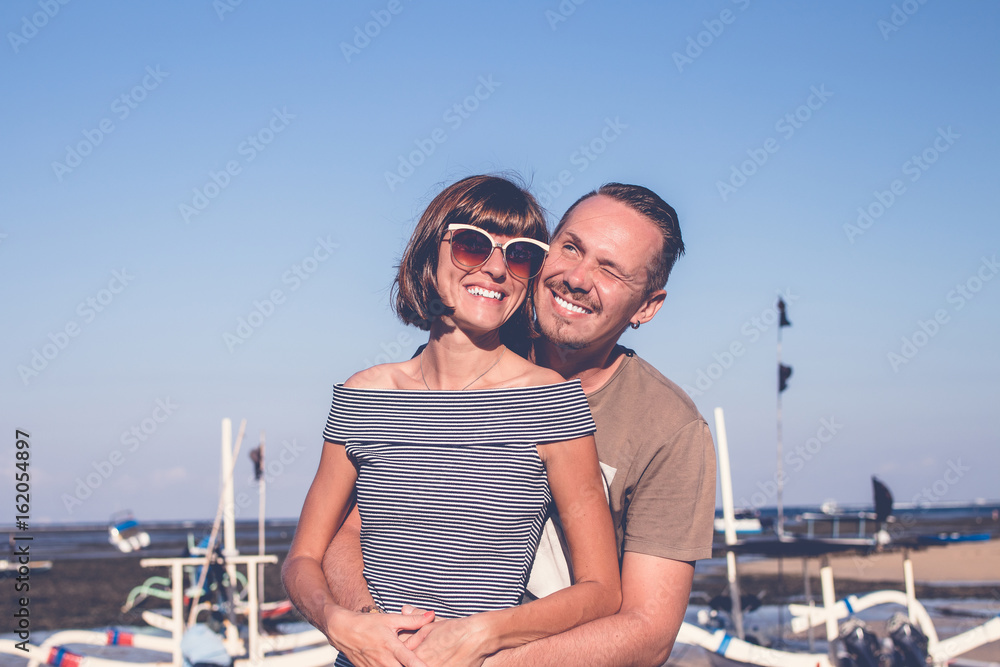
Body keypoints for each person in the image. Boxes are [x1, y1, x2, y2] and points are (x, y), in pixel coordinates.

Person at [323, 182, 718, 667]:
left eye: (611, 270)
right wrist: (367, 625)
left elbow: (647, 633)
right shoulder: (463, 352)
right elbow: (350, 532)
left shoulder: (670, 429)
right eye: (570, 248)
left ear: (647, 307)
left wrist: (480, 655)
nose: (577, 277)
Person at [282, 175, 622, 667]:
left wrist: (481, 634)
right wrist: (343, 624)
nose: (497, 269)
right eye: (471, 245)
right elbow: (302, 560)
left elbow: (601, 589)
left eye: (521, 254)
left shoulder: (548, 399)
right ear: (428, 254)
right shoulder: (363, 395)